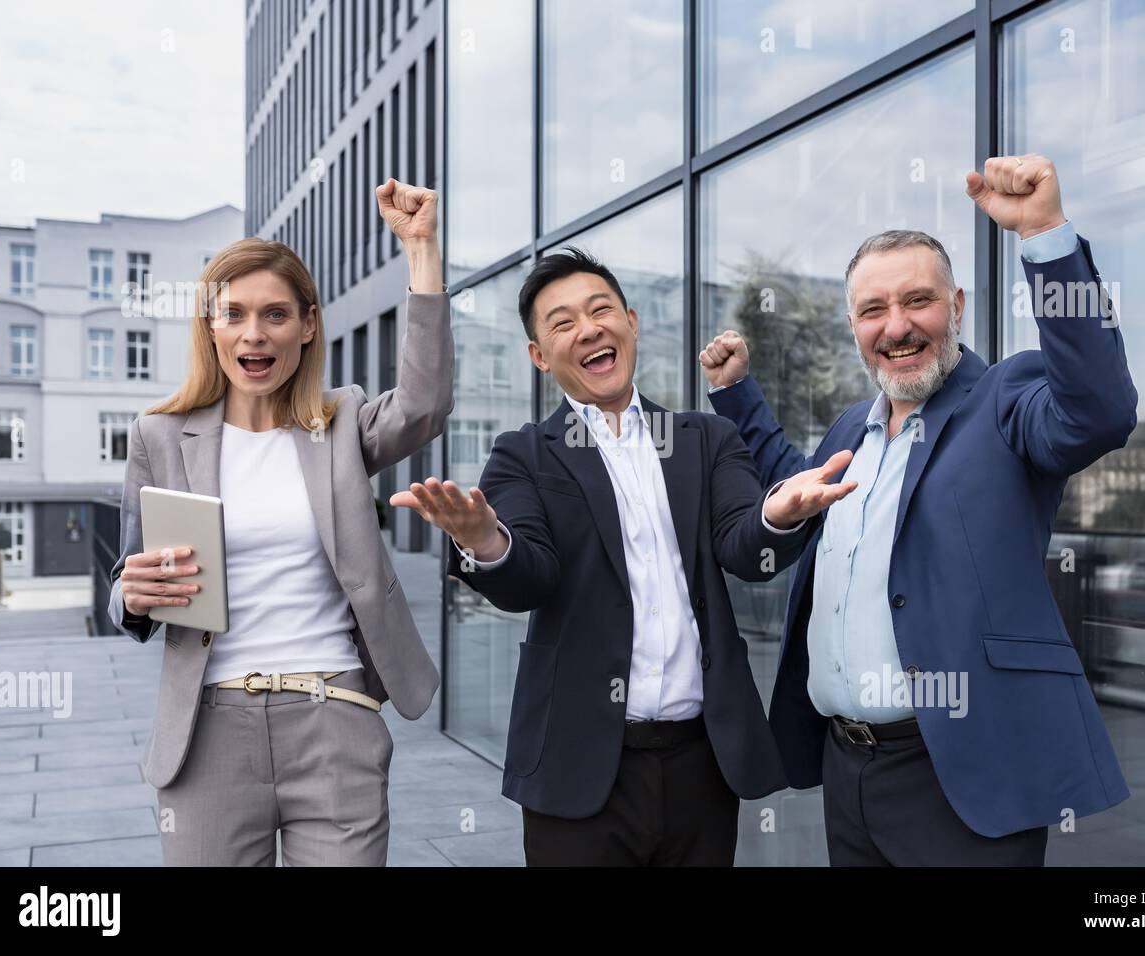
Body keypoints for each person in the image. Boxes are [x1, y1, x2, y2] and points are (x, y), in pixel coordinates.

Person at [700, 154, 1136, 865]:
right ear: (854, 327)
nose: (896, 326)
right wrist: (737, 393)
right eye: (873, 310)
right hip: (849, 770)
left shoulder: (1005, 399)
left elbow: (1099, 411)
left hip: (962, 770)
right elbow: (795, 485)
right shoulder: (851, 429)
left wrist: (1047, 237)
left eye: (918, 302)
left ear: (957, 306)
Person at [393, 248, 853, 865]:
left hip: (702, 764)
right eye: (562, 323)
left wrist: (779, 512)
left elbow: (744, 547)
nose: (588, 329)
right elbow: (529, 576)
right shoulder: (523, 453)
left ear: (631, 322)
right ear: (537, 356)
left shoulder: (705, 438)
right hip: (579, 767)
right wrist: (484, 541)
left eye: (601, 310)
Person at [106, 180, 453, 866]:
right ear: (210, 325)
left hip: (335, 717)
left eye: (275, 314)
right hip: (207, 732)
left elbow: (424, 403)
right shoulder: (160, 435)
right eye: (234, 313)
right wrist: (132, 595)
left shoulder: (343, 421)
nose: (254, 333)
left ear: (308, 324)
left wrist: (420, 249)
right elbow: (126, 578)